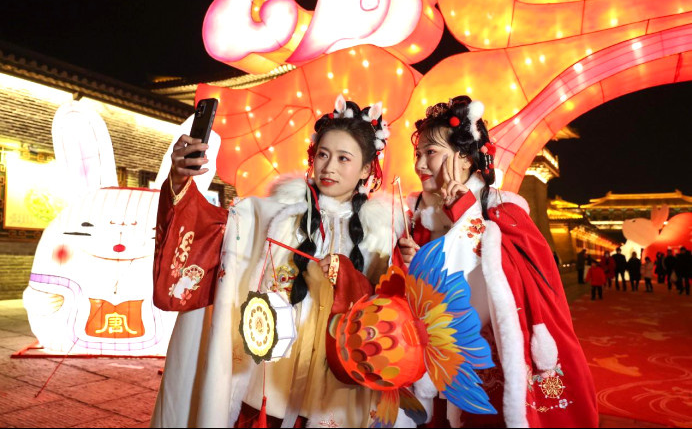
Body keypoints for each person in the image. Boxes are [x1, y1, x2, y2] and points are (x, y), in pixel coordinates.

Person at [150, 95, 406, 428]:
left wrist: (346, 278)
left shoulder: (382, 235)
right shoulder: (270, 215)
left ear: (367, 169)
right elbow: (206, 234)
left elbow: (391, 315)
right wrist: (180, 181)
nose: (329, 167)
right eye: (323, 155)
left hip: (339, 396)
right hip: (267, 388)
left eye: (344, 158)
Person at [396, 95, 598, 428]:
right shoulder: (419, 219)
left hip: (488, 362)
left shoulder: (504, 212)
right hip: (434, 359)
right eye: (417, 155)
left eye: (430, 153)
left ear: (464, 157)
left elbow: (504, 280)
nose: (419, 165)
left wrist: (463, 217)